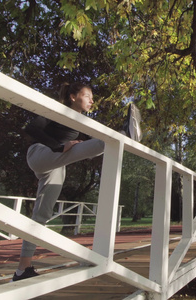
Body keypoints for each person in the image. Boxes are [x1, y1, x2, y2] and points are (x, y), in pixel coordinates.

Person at [12, 82, 142, 281]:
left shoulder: (82, 122)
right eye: (87, 95)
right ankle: (125, 134)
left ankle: (22, 270)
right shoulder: (57, 110)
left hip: (56, 167)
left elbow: (94, 140)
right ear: (73, 97)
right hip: (39, 154)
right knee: (102, 144)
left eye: (92, 97)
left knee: (42, 215)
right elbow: (32, 129)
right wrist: (59, 147)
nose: (92, 100)